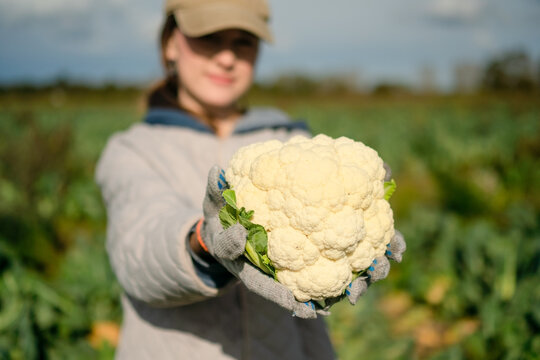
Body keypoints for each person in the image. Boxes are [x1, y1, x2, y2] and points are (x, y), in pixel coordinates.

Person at [95, 0, 405, 359]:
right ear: (169, 43)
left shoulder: (291, 141)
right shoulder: (133, 150)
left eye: (243, 41)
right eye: (209, 37)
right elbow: (139, 254)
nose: (227, 58)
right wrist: (203, 242)